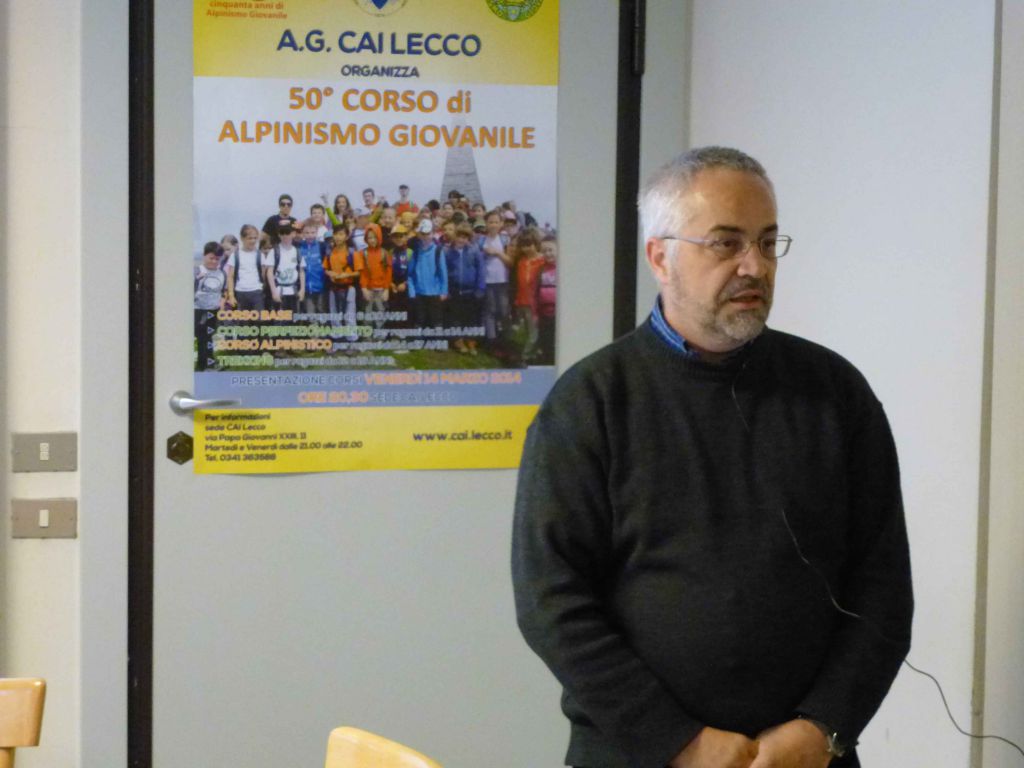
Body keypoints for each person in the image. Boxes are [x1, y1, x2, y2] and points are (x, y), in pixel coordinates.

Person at [512, 146, 913, 768]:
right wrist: (678, 742)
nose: (755, 266)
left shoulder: (835, 394)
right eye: (726, 243)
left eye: (767, 242)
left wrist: (825, 728)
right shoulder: (590, 403)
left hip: (806, 759)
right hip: (638, 755)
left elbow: (883, 587)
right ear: (660, 257)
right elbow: (550, 601)